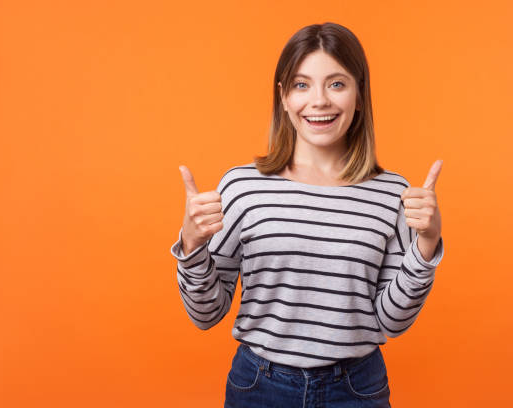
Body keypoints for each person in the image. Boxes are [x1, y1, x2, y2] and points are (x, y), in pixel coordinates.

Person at [170, 21, 444, 408]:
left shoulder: (392, 194)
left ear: (359, 95)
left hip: (356, 389)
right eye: (301, 85)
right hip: (260, 388)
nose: (319, 101)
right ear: (283, 97)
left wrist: (427, 245)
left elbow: (391, 322)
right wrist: (192, 246)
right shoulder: (243, 187)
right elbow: (206, 314)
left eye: (336, 83)